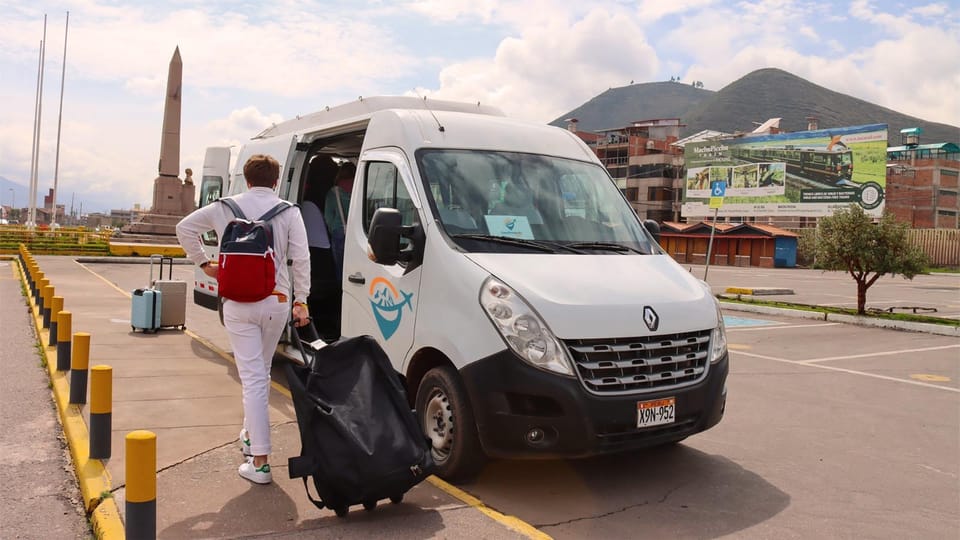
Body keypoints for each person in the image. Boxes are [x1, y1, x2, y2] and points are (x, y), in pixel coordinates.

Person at [175, 154, 310, 485]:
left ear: (246, 179)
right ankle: (250, 438)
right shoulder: (289, 212)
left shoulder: (224, 208)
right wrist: (301, 300)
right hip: (276, 302)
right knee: (259, 373)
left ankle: (260, 461)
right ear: (275, 181)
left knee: (252, 378)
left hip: (237, 304)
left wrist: (204, 263)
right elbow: (301, 257)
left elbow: (184, 228)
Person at [301, 156, 341, 341]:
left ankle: (313, 330)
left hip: (310, 253)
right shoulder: (331, 194)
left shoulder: (307, 195)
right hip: (325, 254)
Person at [324, 162, 356, 280]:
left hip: (339, 231)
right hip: (358, 231)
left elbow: (328, 216)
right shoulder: (360, 188)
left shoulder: (334, 192)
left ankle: (341, 292)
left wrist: (333, 228)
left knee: (340, 267)